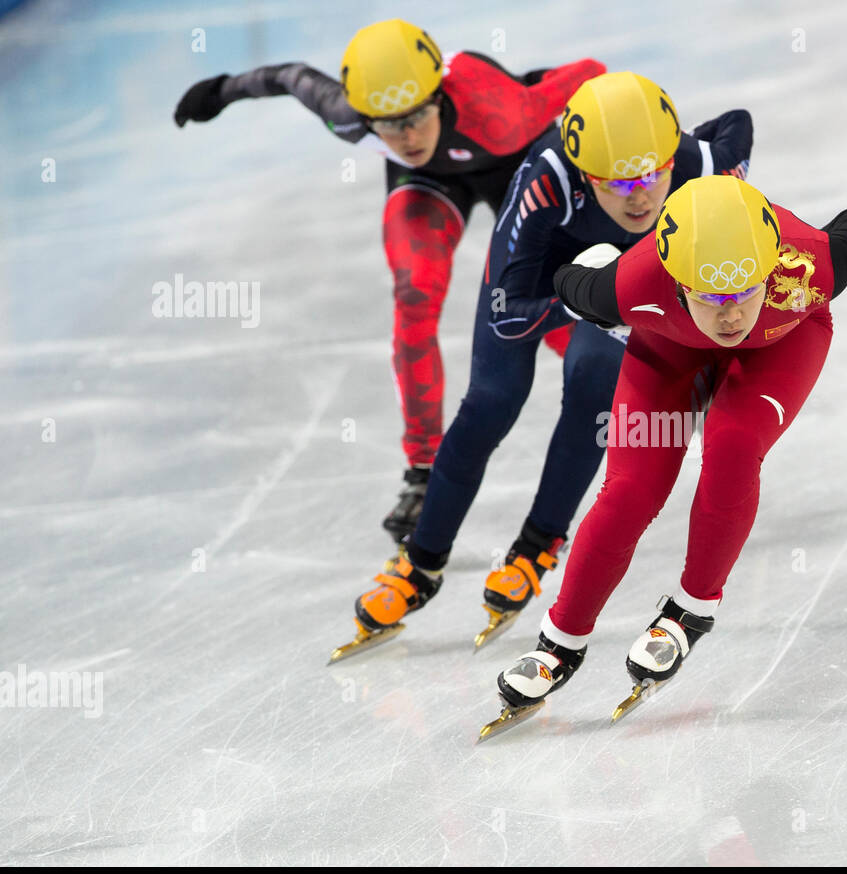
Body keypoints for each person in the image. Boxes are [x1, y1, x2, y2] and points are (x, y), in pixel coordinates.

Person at [348, 73, 754, 657]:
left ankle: (537, 545)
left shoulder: (705, 161)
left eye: (650, 174)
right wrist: (582, 300)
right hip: (536, 282)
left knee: (594, 383)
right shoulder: (547, 179)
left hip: (620, 274)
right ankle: (420, 563)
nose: (640, 196)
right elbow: (510, 313)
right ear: (587, 174)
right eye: (618, 183)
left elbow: (737, 123)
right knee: (490, 403)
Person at [173, 18, 603, 541]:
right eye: (389, 124)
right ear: (365, 116)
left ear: (438, 96)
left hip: (512, 158)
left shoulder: (502, 111)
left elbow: (591, 75)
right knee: (413, 295)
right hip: (426, 183)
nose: (407, 136)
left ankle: (642, 382)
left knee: (541, 301)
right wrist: (220, 91)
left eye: (418, 116)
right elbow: (288, 76)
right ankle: (422, 475)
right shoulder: (348, 115)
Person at [484, 175, 847, 731]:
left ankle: (691, 612)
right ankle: (560, 642)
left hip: (783, 342)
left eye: (744, 292)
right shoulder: (624, 287)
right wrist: (591, 268)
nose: (731, 316)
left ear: (771, 267)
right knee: (630, 491)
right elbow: (571, 280)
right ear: (675, 279)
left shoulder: (815, 264)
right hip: (668, 344)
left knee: (734, 445)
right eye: (712, 297)